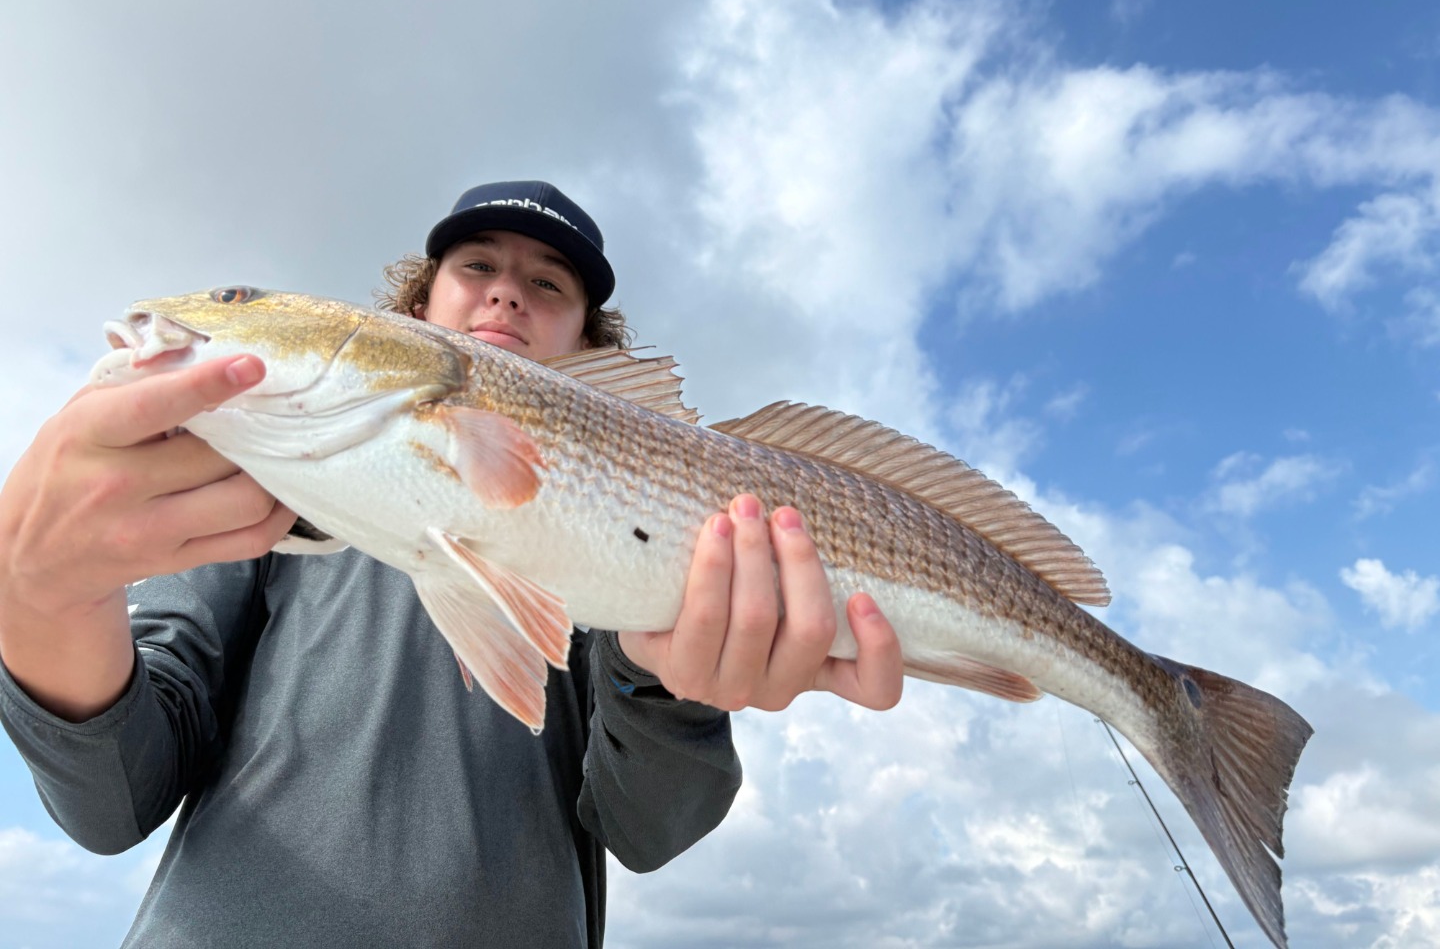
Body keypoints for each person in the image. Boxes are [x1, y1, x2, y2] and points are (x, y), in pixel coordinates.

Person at [0, 181, 904, 948]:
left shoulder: (642, 562)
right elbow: (112, 803)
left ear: (589, 352)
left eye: (547, 283)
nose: (506, 295)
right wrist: (42, 603)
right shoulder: (246, 503)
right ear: (414, 314)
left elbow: (647, 831)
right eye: (475, 266)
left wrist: (670, 685)